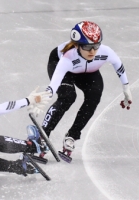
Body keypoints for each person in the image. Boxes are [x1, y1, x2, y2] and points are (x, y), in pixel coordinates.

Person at [40, 21, 132, 157]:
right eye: (88, 47)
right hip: (65, 69)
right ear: (77, 45)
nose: (93, 51)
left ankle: (72, 135)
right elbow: (54, 83)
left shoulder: (105, 52)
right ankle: (43, 135)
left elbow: (118, 64)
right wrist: (43, 96)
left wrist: (126, 89)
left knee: (94, 95)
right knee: (68, 97)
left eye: (96, 46)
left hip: (87, 71)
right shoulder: (67, 57)